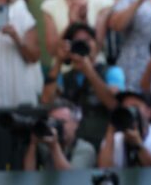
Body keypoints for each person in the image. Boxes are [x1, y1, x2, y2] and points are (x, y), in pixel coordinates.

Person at [40, 22, 123, 151]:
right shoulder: (64, 77)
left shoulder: (112, 72)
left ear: (97, 45)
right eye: (77, 42)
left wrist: (89, 71)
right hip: (71, 146)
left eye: (87, 40)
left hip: (103, 143)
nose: (84, 45)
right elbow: (46, 100)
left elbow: (114, 104)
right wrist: (59, 61)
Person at [97, 91, 151, 167]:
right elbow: (104, 168)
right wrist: (111, 131)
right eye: (125, 108)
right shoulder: (115, 138)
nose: (128, 111)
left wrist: (138, 146)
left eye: (134, 107)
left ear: (149, 112)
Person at [22, 99, 96, 170]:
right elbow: (29, 173)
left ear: (76, 124)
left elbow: (72, 176)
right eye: (53, 122)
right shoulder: (44, 146)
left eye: (62, 122)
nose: (58, 126)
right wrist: (33, 144)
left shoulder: (85, 149)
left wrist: (54, 147)